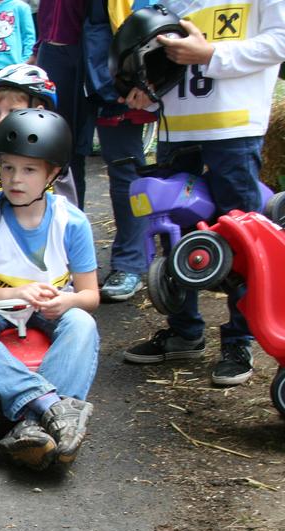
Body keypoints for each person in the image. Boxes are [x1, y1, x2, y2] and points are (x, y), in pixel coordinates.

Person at [120, 0, 285, 385]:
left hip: (234, 128)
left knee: (245, 242)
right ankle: (184, 332)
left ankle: (240, 341)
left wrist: (212, 55)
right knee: (173, 233)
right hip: (176, 129)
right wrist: (144, 85)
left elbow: (279, 41)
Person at [0, 110, 100, 470]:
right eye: (8, 168)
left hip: (50, 308)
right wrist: (14, 294)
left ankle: (32, 425)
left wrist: (67, 300)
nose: (16, 179)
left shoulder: (71, 222)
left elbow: (89, 296)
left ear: (52, 174)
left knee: (82, 324)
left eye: (29, 170)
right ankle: (51, 408)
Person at [83, 0, 161, 303]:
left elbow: (138, 18)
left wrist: (138, 74)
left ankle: (132, 262)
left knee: (126, 168)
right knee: (59, 167)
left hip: (116, 74)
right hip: (73, 66)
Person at [0, 63, 78, 204]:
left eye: (12, 111)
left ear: (39, 112)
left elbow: (68, 209)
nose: (1, 119)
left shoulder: (54, 159)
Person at [32, 0, 92, 209]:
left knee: (72, 147)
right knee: (44, 139)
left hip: (82, 51)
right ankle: (40, 214)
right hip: (48, 50)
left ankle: (73, 216)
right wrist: (37, 48)